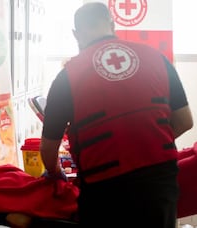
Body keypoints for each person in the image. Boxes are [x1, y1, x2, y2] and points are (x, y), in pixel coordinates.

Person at [40, 2, 193, 228]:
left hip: (104, 188)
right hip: (158, 183)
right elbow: (185, 121)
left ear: (76, 34)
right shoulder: (157, 58)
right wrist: (144, 144)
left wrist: (55, 171)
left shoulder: (68, 76)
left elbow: (48, 149)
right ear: (112, 25)